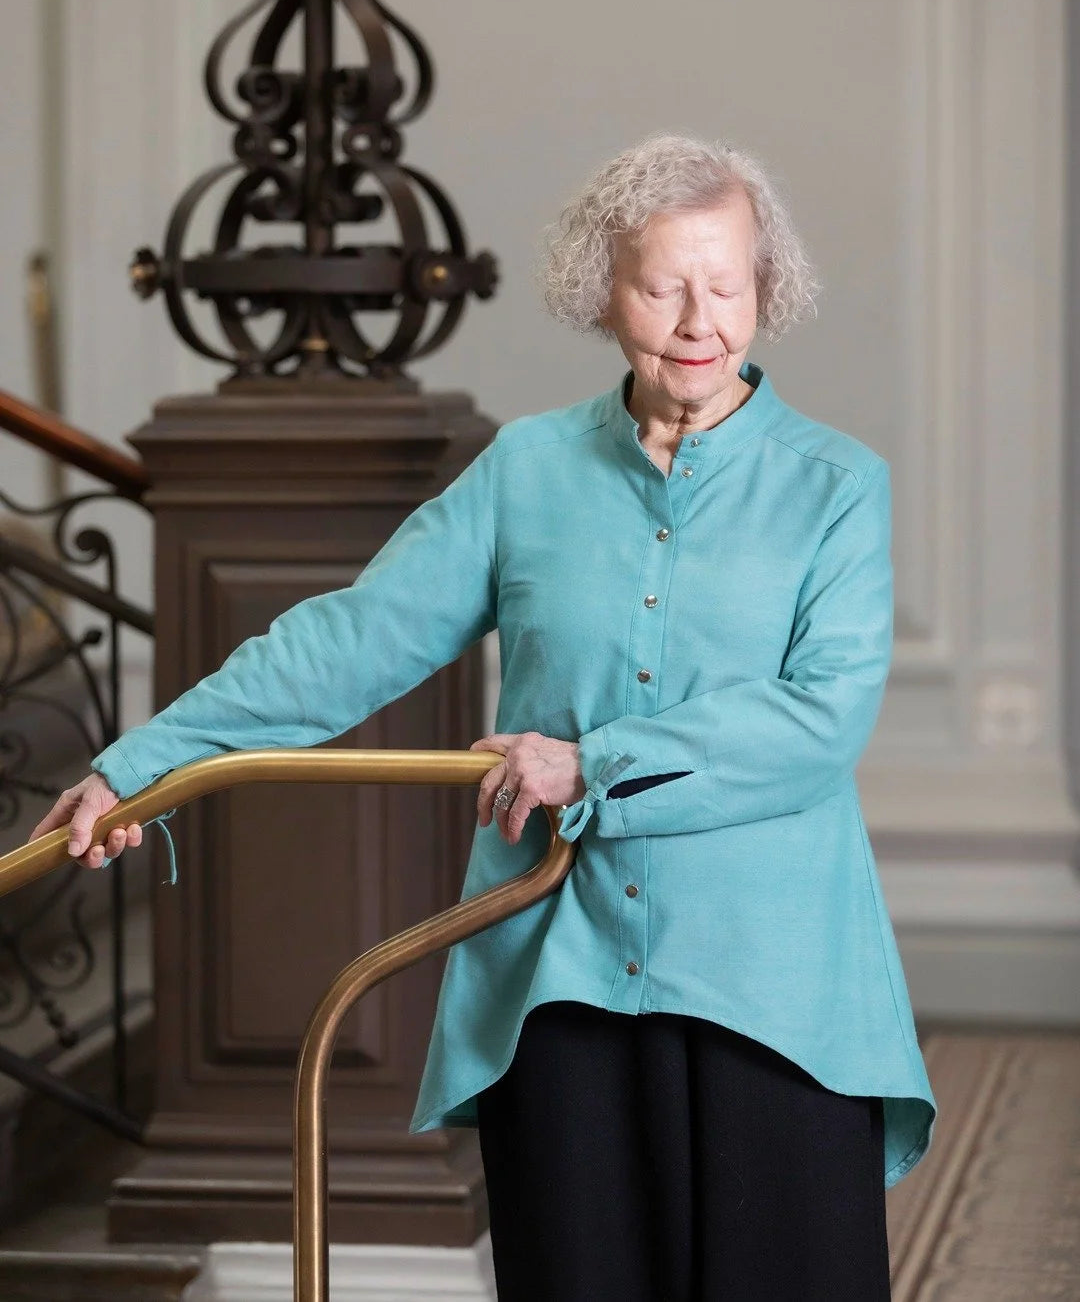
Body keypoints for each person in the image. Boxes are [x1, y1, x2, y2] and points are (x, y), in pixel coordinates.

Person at [32, 133, 936, 1301]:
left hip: (779, 991)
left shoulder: (838, 485)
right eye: (661, 285)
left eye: (728, 283)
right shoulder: (527, 469)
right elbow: (351, 640)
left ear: (768, 288)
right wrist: (138, 766)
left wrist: (592, 762)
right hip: (556, 973)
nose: (698, 318)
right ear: (602, 293)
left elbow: (818, 724)